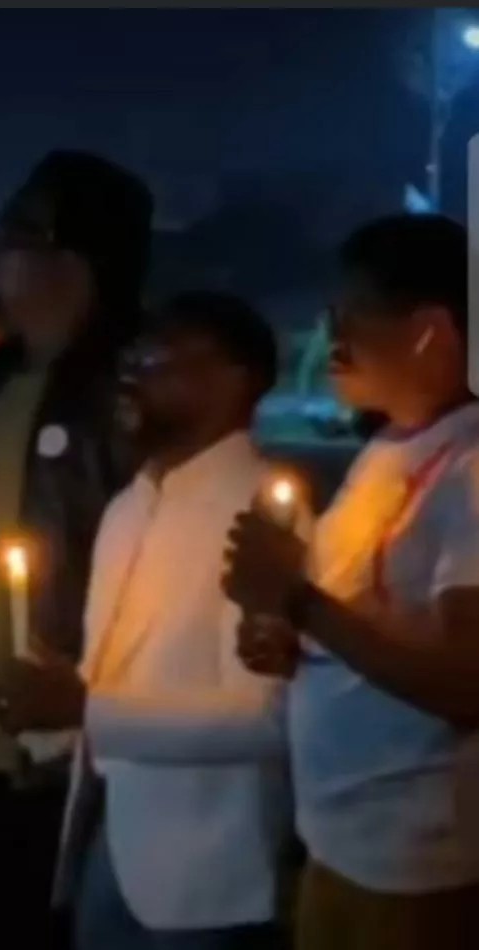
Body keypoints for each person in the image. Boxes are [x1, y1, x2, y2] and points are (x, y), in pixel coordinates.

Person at [0, 292, 293, 950]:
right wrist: (51, 715)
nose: (132, 375)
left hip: (206, 880)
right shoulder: (129, 506)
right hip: (110, 843)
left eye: (158, 359)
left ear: (235, 380)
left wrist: (85, 707)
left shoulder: (264, 518)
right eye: (131, 359)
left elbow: (265, 720)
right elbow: (116, 680)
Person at [0, 150, 151, 950]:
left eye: (12, 234)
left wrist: (84, 703)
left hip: (57, 778)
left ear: (72, 262)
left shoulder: (130, 400)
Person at [224, 213, 479, 950]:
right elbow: (361, 622)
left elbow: (467, 683)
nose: (330, 333)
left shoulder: (467, 467)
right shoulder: (388, 450)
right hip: (338, 847)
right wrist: (288, 635)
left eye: (352, 312)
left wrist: (300, 600)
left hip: (419, 869)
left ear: (431, 327)